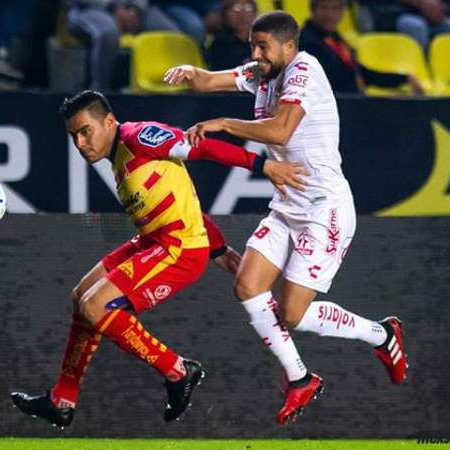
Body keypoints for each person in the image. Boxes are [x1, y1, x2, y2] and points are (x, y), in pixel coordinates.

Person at [164, 11, 408, 425]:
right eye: (253, 46)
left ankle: (381, 334)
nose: (256, 54)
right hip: (287, 205)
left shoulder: (303, 69)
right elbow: (210, 80)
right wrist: (190, 71)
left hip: (323, 208)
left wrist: (222, 123)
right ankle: (299, 379)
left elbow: (279, 132)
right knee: (247, 285)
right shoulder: (264, 72)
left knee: (293, 314)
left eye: (263, 47)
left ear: (288, 46)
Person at [10, 90, 305, 427]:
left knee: (97, 306)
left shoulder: (139, 137)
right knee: (81, 297)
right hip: (155, 241)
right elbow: (182, 202)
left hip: (177, 250)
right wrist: (221, 251)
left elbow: (201, 146)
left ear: (108, 122)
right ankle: (62, 399)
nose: (79, 143)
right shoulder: (118, 159)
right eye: (73, 135)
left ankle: (179, 371)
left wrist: (263, 165)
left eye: (85, 131)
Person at [300, 0, 424, 95]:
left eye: (335, 8)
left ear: (343, 11)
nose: (329, 14)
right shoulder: (307, 41)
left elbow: (362, 74)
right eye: (324, 7)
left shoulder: (335, 39)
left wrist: (403, 78)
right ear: (313, 10)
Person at [207, 0, 256, 71]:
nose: (242, 14)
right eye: (236, 9)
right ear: (225, 14)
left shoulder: (261, 41)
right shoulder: (220, 42)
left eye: (248, 8)